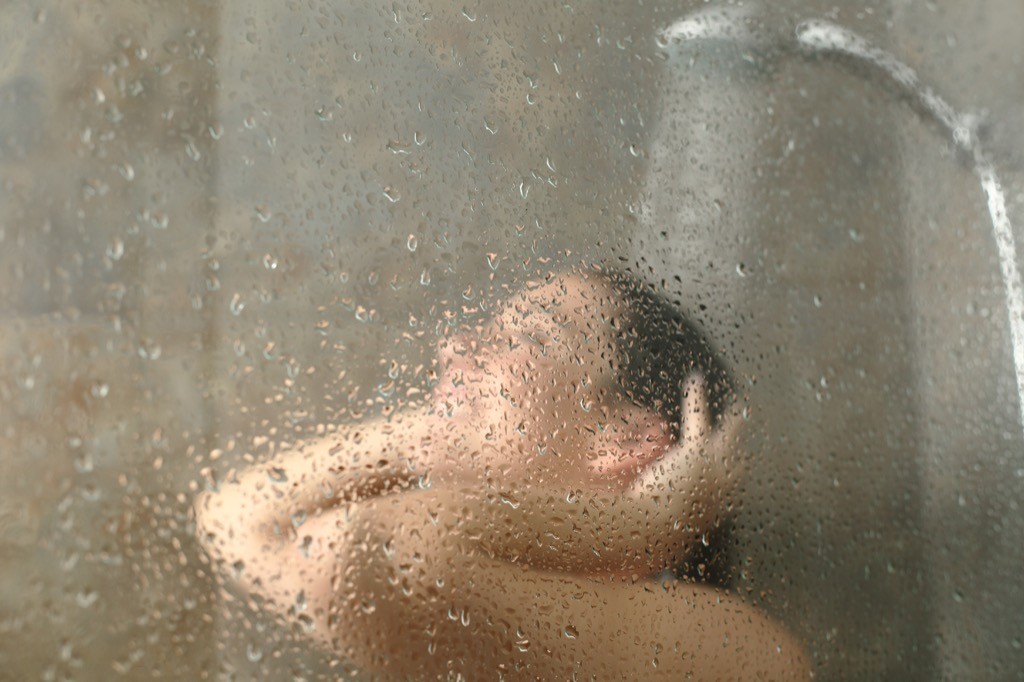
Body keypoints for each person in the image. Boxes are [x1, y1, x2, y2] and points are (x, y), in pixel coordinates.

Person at [194, 266, 810, 679]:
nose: (451, 347)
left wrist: (647, 522)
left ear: (626, 437)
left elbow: (368, 557)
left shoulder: (739, 651)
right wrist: (437, 426)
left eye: (527, 337)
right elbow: (231, 522)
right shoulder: (482, 612)